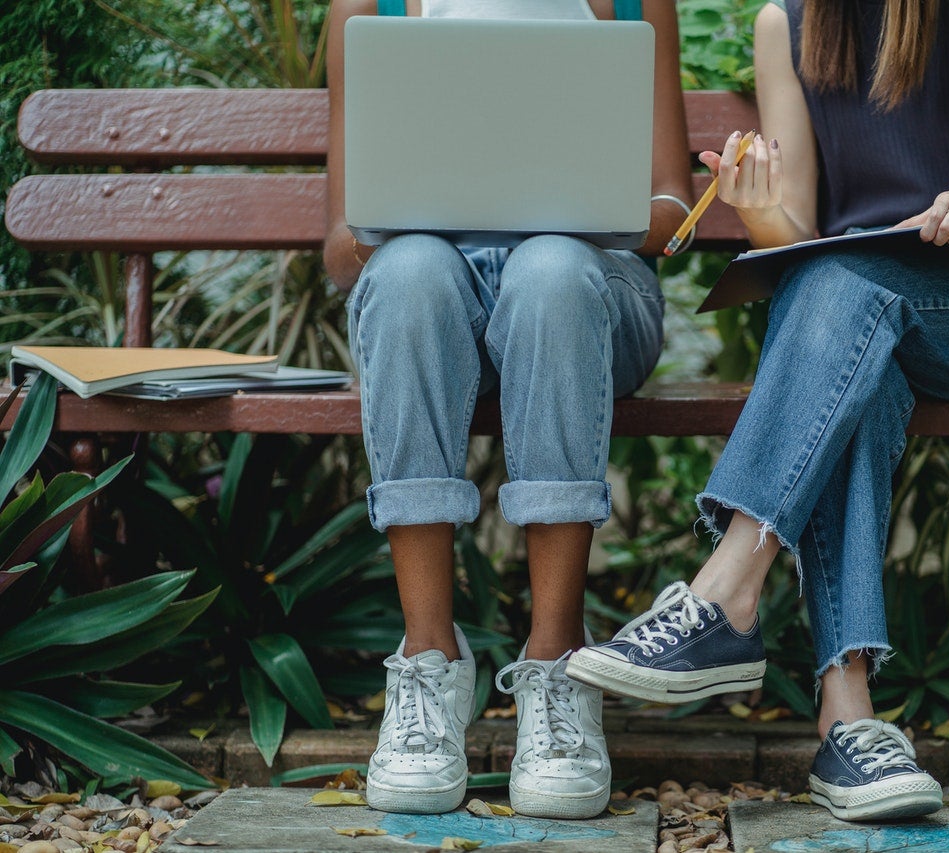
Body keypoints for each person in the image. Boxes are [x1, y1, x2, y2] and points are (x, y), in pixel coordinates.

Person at [567, 0, 949, 822]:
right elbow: (792, 227)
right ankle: (848, 721)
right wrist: (754, 204)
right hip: (851, 327)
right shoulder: (786, 22)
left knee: (837, 291)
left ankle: (725, 594)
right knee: (847, 339)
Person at [324, 0, 692, 818]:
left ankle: (558, 666)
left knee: (551, 270)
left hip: (592, 292)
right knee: (411, 275)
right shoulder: (373, 9)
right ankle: (427, 665)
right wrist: (401, 220)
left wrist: (601, 215)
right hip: (435, 291)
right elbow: (339, 245)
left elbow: (672, 200)